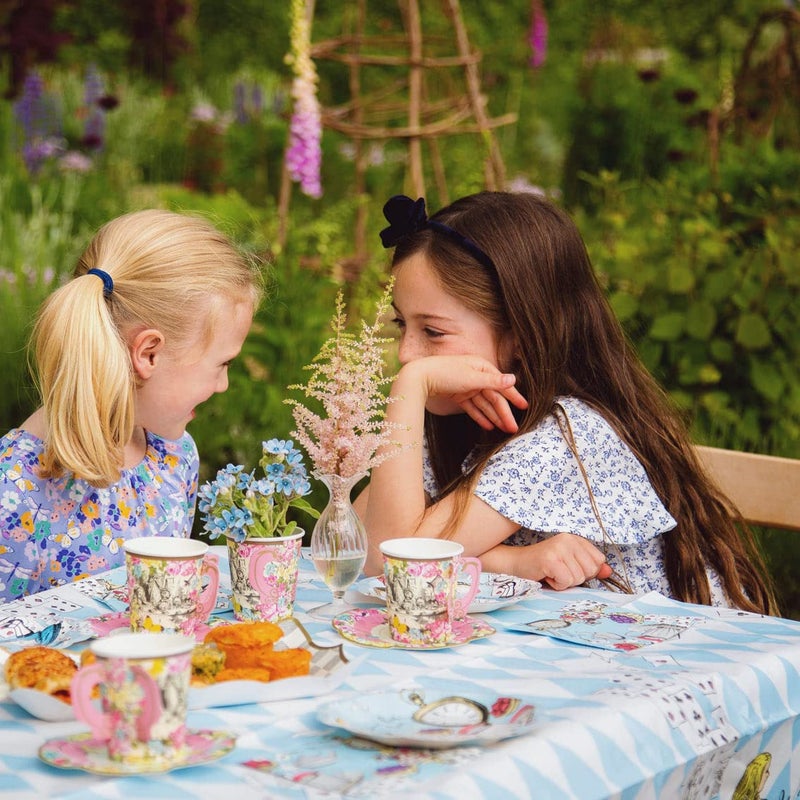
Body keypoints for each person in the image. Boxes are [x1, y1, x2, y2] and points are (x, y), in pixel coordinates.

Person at [357, 192, 777, 615]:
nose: (407, 354)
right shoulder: (461, 412)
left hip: (660, 661)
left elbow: (390, 565)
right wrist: (511, 561)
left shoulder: (569, 436)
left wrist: (408, 388)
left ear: (519, 334)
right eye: (401, 323)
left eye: (432, 331)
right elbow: (355, 538)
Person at [0, 209, 262, 602]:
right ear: (149, 354)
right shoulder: (14, 490)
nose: (223, 384)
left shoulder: (173, 458)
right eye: (222, 363)